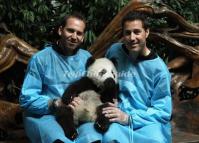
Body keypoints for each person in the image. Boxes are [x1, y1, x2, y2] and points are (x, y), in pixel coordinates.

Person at [19, 12, 92, 143]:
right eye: (70, 30)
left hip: (79, 115)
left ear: (83, 37)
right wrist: (55, 103)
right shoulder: (40, 59)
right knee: (58, 140)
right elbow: (26, 99)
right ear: (60, 30)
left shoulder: (87, 58)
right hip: (46, 116)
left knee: (93, 138)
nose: (74, 37)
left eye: (79, 33)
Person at [103, 11, 172, 143]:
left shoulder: (159, 69)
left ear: (146, 32)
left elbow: (162, 111)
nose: (132, 37)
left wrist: (129, 118)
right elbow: (104, 82)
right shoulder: (114, 51)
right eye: (127, 33)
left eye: (137, 32)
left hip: (147, 122)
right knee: (108, 138)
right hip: (117, 116)